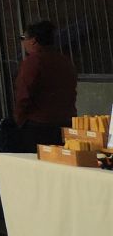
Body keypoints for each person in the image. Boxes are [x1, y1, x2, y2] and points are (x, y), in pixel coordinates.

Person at [12, 20, 77, 151]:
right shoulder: (64, 60)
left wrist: (19, 119)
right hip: (66, 120)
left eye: (23, 38)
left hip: (39, 125)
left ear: (33, 40)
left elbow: (24, 94)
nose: (22, 42)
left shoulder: (33, 62)